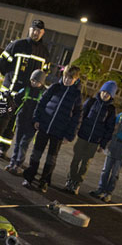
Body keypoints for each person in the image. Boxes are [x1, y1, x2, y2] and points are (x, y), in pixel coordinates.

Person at [0, 19, 50, 158]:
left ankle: (3, 148)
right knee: (0, 118)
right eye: (34, 29)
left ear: (42, 33)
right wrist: (9, 78)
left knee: (13, 123)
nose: (36, 33)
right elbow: (1, 63)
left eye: (39, 31)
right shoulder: (16, 45)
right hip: (7, 93)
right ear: (29, 30)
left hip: (24, 97)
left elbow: (44, 73)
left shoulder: (44, 53)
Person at [22, 65, 82, 193]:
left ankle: (44, 181)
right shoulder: (55, 88)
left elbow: (76, 118)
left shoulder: (76, 95)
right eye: (65, 77)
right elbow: (42, 102)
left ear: (75, 79)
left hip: (59, 131)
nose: (66, 80)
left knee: (51, 158)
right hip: (44, 126)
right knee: (36, 154)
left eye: (70, 78)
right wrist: (37, 118)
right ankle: (29, 177)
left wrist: (69, 135)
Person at [64, 81, 118, 194]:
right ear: (100, 91)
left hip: (94, 141)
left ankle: (77, 183)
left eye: (108, 94)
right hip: (83, 137)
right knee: (75, 160)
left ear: (111, 96)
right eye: (104, 92)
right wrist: (74, 131)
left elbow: (109, 129)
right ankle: (70, 180)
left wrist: (102, 145)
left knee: (85, 164)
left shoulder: (111, 110)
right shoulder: (91, 102)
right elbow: (80, 117)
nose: (105, 95)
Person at [4, 70, 48, 175]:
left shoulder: (44, 94)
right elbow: (16, 99)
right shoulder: (25, 89)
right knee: (18, 142)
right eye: (32, 80)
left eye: (37, 81)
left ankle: (18, 164)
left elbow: (44, 109)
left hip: (32, 124)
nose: (34, 83)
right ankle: (12, 163)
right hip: (21, 120)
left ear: (42, 82)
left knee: (24, 144)